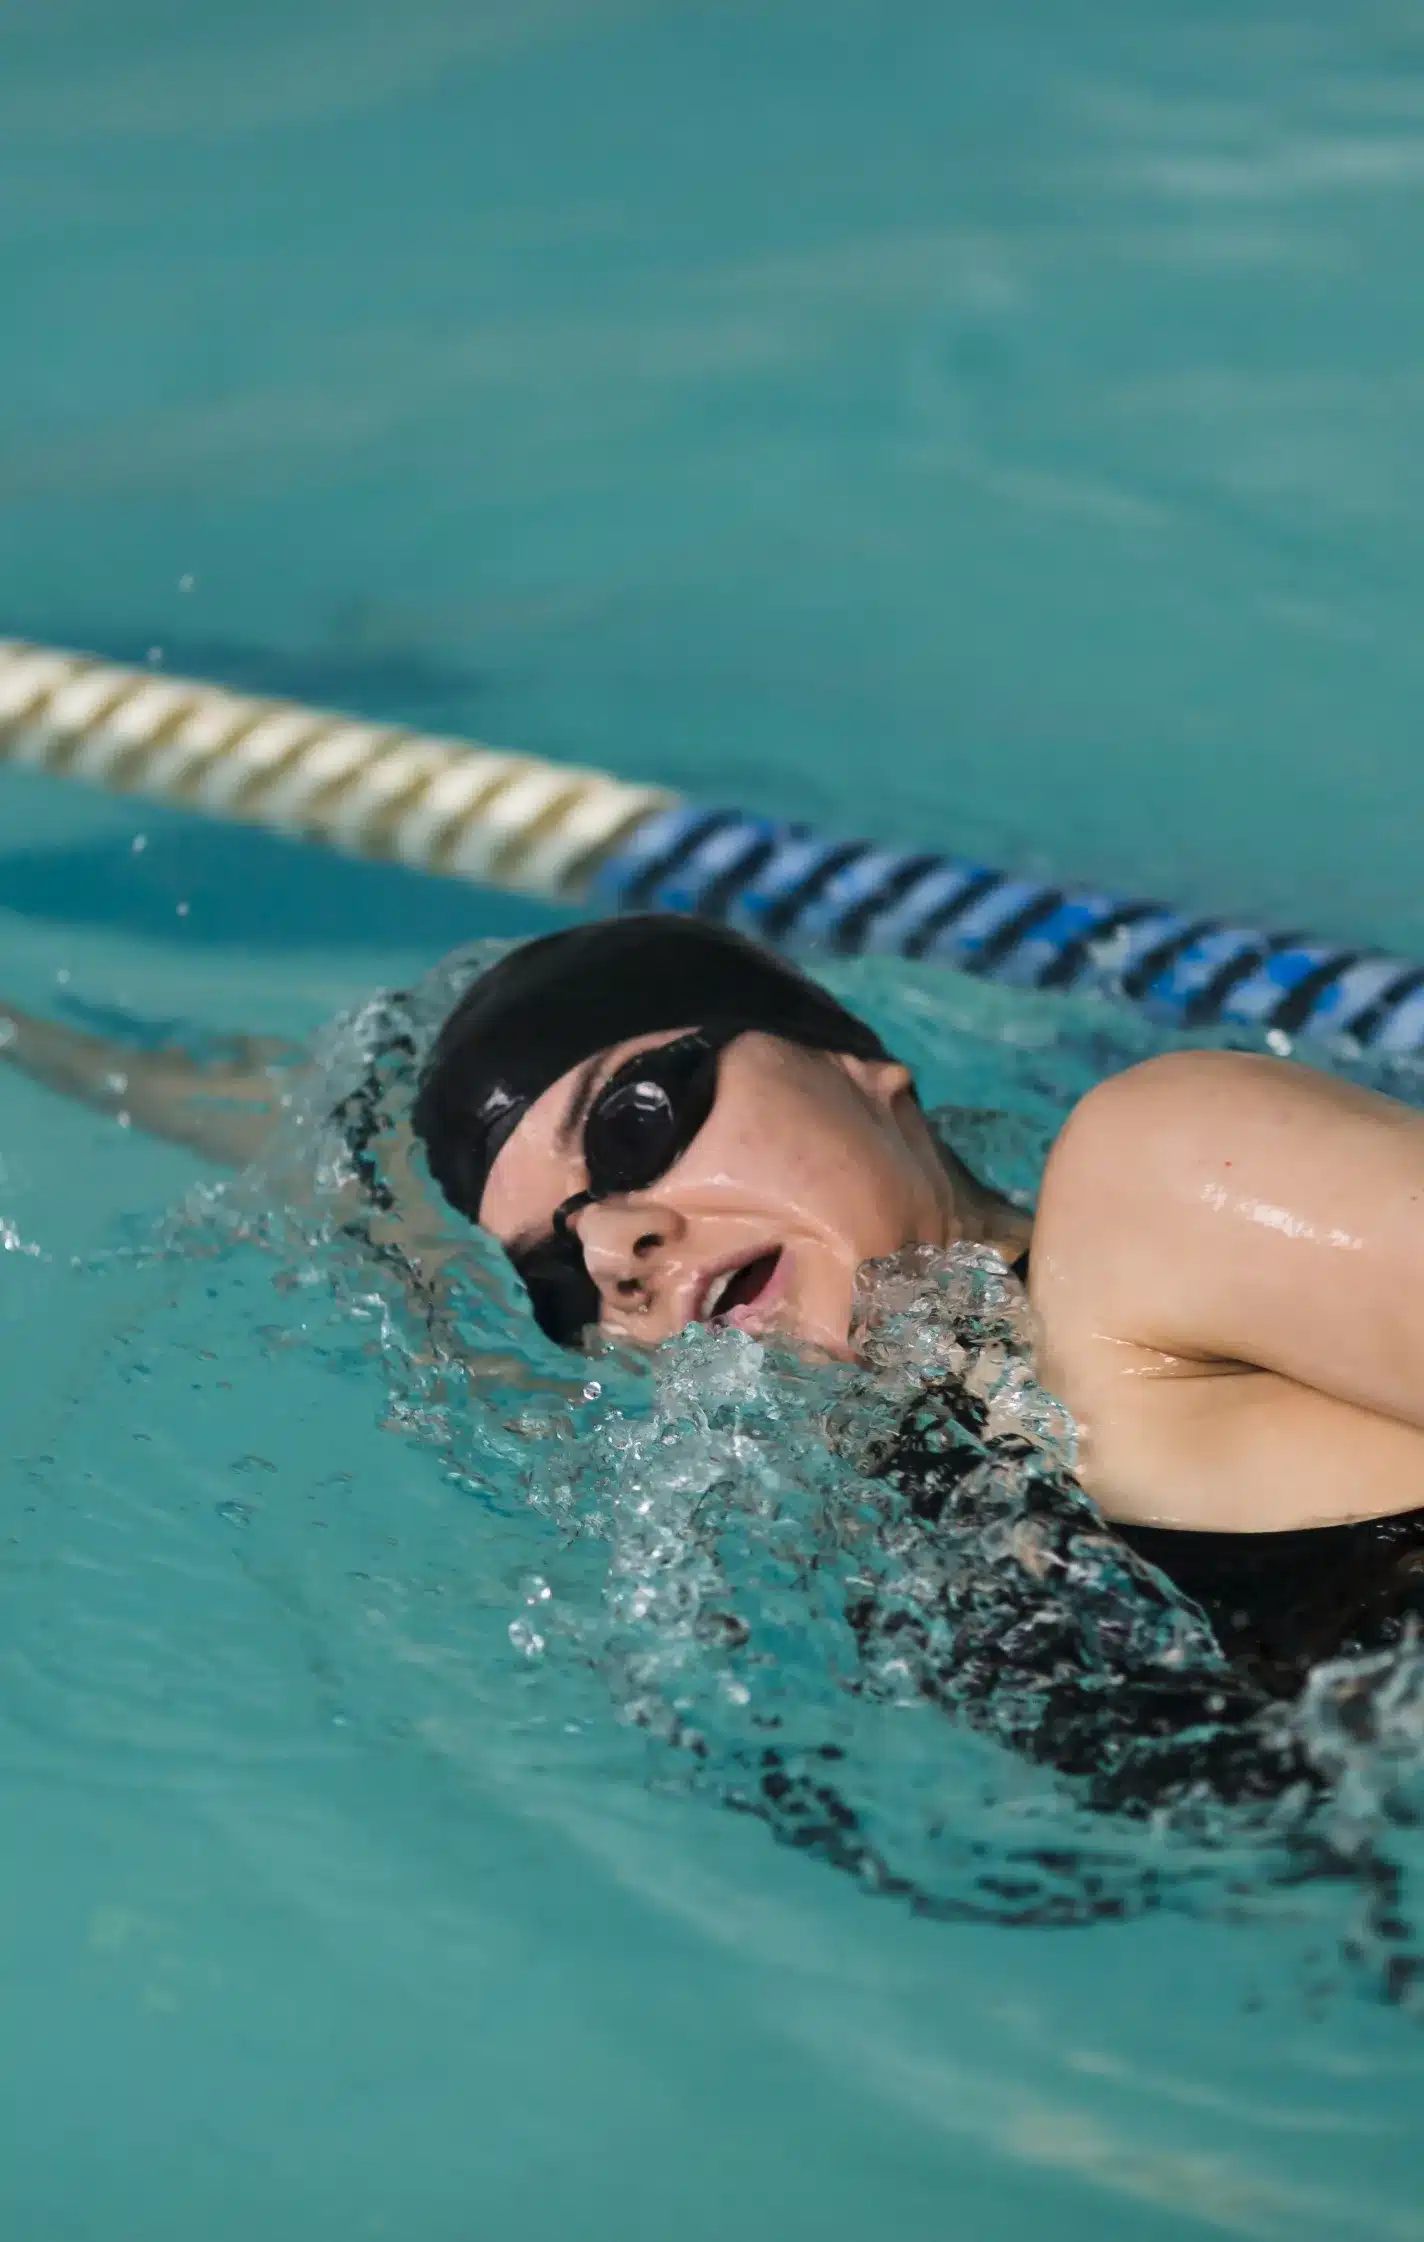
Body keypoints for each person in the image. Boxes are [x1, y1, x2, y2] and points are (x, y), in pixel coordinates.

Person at [6, 912, 1424, 1714]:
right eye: (557, 1280)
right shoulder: (845, 1506)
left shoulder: (1163, 1187)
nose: (619, 1247)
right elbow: (391, 1249)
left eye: (636, 1122)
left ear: (859, 1062)